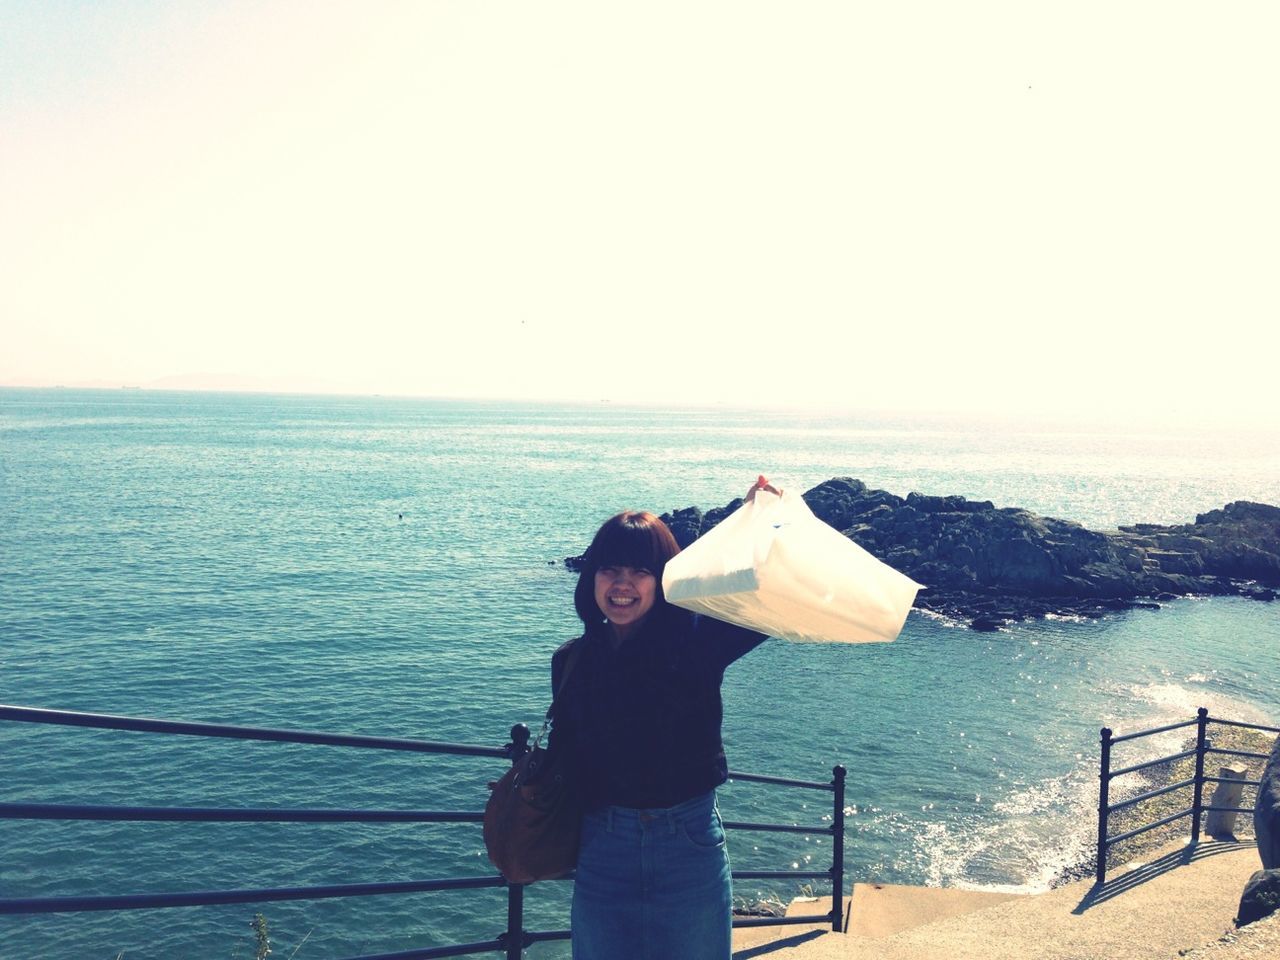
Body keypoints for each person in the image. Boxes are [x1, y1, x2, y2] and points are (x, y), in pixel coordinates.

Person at [548, 476, 781, 960]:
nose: (622, 585)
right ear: (591, 578)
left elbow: (761, 592)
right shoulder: (571, 661)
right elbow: (567, 754)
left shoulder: (697, 642)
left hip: (687, 844)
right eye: (609, 570)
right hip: (604, 846)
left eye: (640, 571)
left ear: (665, 579)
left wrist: (756, 518)